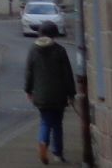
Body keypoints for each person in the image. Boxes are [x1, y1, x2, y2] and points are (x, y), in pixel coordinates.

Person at [25, 21, 77, 164]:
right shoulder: (60, 51)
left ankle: (43, 142)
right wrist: (71, 94)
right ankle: (58, 153)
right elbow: (67, 74)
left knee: (45, 121)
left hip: (41, 95)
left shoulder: (33, 50)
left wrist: (28, 90)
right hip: (59, 95)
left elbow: (29, 72)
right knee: (57, 124)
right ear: (54, 35)